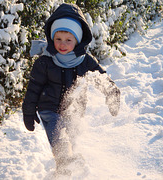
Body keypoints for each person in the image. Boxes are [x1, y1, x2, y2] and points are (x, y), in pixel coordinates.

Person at [22, 3, 120, 175]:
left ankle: (68, 168)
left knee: (72, 139)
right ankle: (64, 162)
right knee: (58, 137)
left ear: (77, 40)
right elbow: (33, 88)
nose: (62, 44)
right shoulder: (45, 61)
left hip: (75, 109)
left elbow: (101, 78)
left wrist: (112, 94)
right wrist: (29, 112)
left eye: (69, 40)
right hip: (49, 108)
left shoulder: (85, 61)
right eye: (58, 39)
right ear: (52, 38)